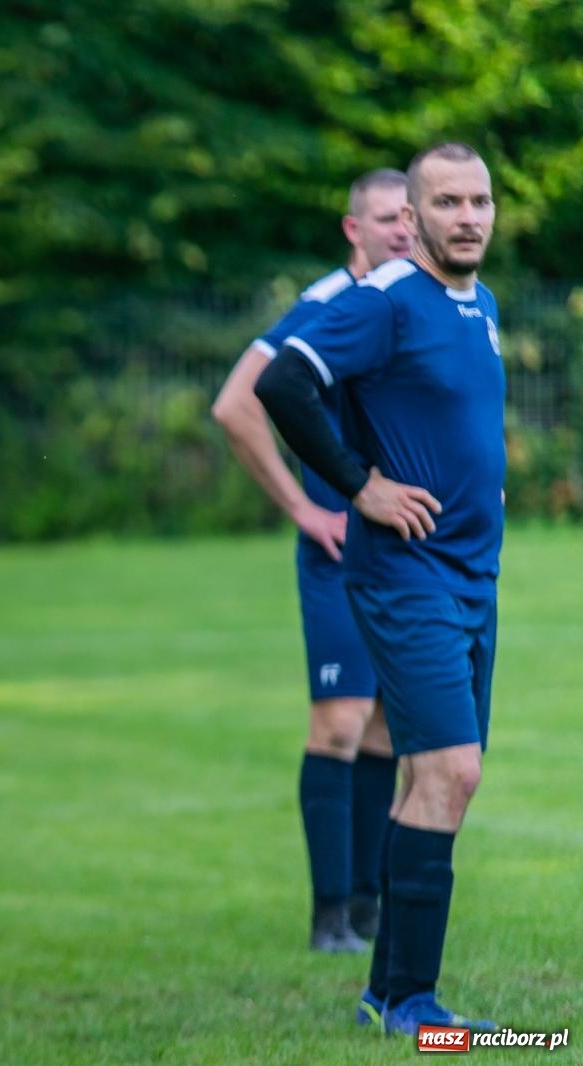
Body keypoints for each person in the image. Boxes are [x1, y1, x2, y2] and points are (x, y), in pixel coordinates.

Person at [255, 142, 503, 1035]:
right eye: (446, 203)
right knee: (450, 771)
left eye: (479, 201)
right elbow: (282, 382)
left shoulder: (481, 305)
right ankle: (416, 1003)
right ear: (414, 215)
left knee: (427, 779)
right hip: (408, 576)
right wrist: (359, 485)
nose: (466, 217)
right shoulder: (384, 300)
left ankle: (386, 994)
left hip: (475, 578)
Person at [211, 169, 409, 953]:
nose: (403, 229)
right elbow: (237, 403)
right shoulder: (329, 302)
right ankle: (329, 916)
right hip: (338, 545)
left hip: (401, 547)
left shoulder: (408, 301)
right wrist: (302, 506)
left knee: (387, 726)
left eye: (409, 216)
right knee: (339, 721)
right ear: (353, 229)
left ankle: (366, 907)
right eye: (386, 218)